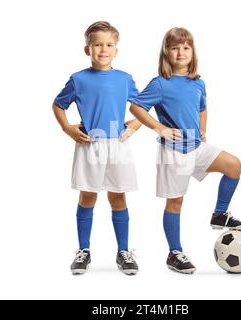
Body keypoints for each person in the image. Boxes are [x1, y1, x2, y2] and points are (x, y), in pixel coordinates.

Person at [130, 27, 241, 274]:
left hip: (196, 146)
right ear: (166, 53)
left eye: (185, 47)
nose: (180, 52)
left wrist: (203, 129)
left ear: (193, 52)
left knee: (234, 165)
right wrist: (159, 127)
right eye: (174, 48)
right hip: (173, 152)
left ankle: (219, 214)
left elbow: (202, 107)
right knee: (176, 202)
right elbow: (137, 108)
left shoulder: (198, 82)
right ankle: (174, 253)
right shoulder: (160, 84)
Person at [52, 21, 141, 275]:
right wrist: (67, 128)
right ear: (87, 49)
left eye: (109, 44)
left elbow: (142, 107)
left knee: (117, 196)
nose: (103, 49)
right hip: (90, 145)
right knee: (88, 196)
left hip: (117, 146)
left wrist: (134, 126)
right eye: (97, 44)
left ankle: (124, 251)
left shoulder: (125, 79)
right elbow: (58, 104)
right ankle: (83, 251)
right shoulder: (78, 79)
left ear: (116, 50)